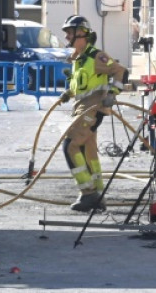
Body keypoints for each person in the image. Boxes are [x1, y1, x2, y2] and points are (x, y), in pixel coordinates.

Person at [58, 15, 128, 213]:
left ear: (82, 34)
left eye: (70, 33)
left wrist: (113, 93)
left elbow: (121, 72)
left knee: (70, 145)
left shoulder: (96, 57)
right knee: (88, 151)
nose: (67, 37)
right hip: (82, 108)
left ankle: (88, 193)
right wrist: (69, 93)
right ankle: (97, 195)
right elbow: (83, 84)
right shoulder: (79, 59)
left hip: (93, 109)